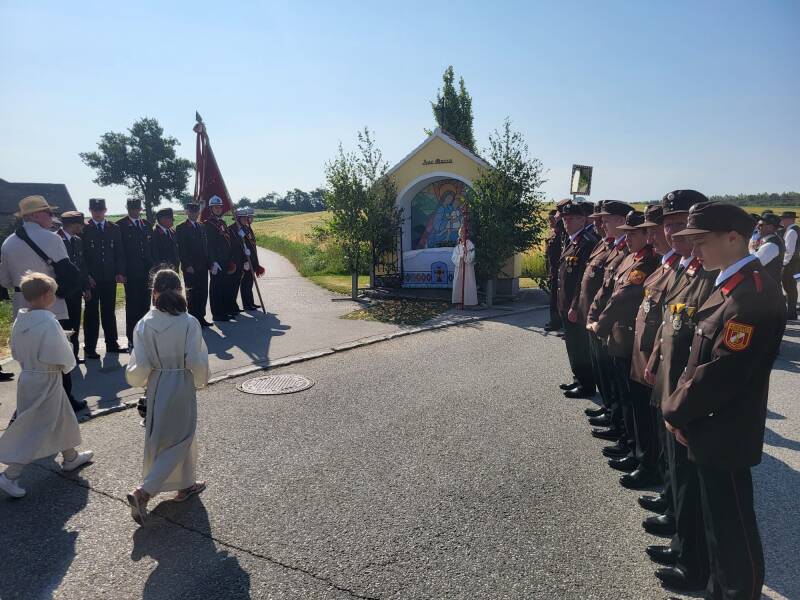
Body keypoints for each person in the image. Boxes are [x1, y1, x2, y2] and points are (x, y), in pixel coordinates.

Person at [662, 202, 785, 600]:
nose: (695, 250)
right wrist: (684, 412)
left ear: (734, 237)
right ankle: (718, 588)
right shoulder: (731, 285)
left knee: (732, 528)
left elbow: (722, 374)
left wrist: (677, 411)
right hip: (707, 422)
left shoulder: (753, 294)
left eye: (702, 240)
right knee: (716, 521)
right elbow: (697, 359)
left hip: (725, 426)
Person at [125, 268, 210, 525]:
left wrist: (139, 381)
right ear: (180, 291)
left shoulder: (144, 323)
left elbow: (139, 365)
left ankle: (185, 484)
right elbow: (196, 359)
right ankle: (144, 492)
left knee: (163, 436)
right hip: (181, 381)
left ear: (155, 292)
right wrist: (200, 379)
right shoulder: (188, 322)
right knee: (182, 437)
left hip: (157, 382)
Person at [0, 272, 94, 498]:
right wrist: (66, 346)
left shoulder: (21, 320)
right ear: (45, 295)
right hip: (46, 378)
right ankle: (10, 474)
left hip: (29, 376)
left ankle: (70, 456)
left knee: (61, 416)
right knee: (38, 426)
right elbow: (60, 355)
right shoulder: (48, 322)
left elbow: (17, 350)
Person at [590, 210, 661, 488]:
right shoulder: (632, 258)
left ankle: (643, 457)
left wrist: (601, 324)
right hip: (620, 337)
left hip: (631, 340)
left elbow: (624, 296)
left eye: (634, 233)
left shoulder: (648, 263)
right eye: (628, 232)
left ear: (646, 235)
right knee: (626, 398)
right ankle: (632, 447)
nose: (629, 238)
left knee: (637, 405)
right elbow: (608, 289)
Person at [584, 200, 633, 431]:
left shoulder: (626, 250)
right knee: (606, 374)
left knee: (618, 382)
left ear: (622, 221)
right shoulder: (613, 246)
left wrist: (600, 321)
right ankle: (611, 411)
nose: (601, 223)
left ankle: (619, 422)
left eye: (606, 219)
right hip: (601, 320)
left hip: (614, 325)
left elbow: (620, 294)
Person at [557, 201, 598, 397]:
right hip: (565, 303)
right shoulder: (571, 240)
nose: (567, 222)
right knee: (572, 345)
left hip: (576, 306)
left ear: (583, 220)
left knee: (580, 347)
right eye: (564, 219)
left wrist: (575, 306)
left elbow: (582, 279)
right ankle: (578, 379)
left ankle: (586, 385)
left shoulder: (587, 242)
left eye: (571, 218)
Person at [82, 198, 126, 358]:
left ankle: (112, 343)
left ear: (105, 210)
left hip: (109, 277)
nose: (98, 213)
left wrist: (120, 272)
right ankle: (90, 347)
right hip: (93, 280)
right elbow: (82, 257)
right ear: (90, 210)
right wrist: (86, 277)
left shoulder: (113, 228)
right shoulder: (85, 229)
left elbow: (119, 253)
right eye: (95, 210)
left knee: (109, 312)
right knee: (91, 313)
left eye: (100, 210)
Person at [116, 198, 153, 351]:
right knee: (132, 307)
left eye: (137, 208)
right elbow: (119, 251)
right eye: (132, 208)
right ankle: (132, 339)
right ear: (127, 208)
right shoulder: (121, 225)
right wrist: (121, 272)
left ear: (140, 209)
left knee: (145, 305)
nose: (135, 211)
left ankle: (144, 336)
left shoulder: (146, 224)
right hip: (131, 273)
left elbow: (150, 248)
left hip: (147, 272)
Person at [57, 211, 91, 363]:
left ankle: (74, 355)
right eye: (80, 224)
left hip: (76, 290)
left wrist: (86, 287)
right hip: (61, 291)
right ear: (73, 225)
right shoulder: (56, 239)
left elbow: (81, 266)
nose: (82, 227)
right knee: (63, 324)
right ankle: (63, 356)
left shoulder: (77, 240)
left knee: (75, 323)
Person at [176, 202, 211, 326]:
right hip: (191, 267)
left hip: (203, 265)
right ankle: (192, 320)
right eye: (192, 212)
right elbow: (182, 249)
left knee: (202, 293)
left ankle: (201, 318)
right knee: (192, 294)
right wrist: (187, 265)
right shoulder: (181, 227)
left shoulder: (201, 226)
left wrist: (209, 263)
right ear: (187, 212)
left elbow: (205, 247)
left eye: (196, 212)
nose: (195, 214)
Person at [203, 195, 238, 322]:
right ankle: (217, 314)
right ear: (211, 209)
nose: (218, 209)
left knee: (224, 287)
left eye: (219, 207)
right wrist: (212, 262)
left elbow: (227, 242)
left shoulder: (222, 223)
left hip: (225, 259)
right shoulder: (208, 224)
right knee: (216, 288)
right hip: (217, 261)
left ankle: (224, 311)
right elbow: (209, 245)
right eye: (215, 207)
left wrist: (231, 258)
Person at [230, 207, 263, 311]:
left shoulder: (246, 228)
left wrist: (253, 261)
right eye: (243, 218)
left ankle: (249, 302)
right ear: (238, 218)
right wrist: (244, 260)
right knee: (239, 285)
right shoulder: (232, 229)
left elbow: (250, 245)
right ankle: (239, 305)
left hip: (249, 260)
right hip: (240, 261)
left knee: (249, 283)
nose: (247, 219)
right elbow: (234, 247)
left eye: (246, 217)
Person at [544, 209, 565, 331]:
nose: (550, 222)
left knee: (556, 299)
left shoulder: (560, 236)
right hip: (553, 271)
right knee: (554, 298)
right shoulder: (554, 234)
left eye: (552, 219)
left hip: (557, 271)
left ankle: (556, 322)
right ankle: (554, 321)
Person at [751, 212, 784, 283]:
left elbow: (754, 264)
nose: (757, 227)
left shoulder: (771, 245)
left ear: (771, 227)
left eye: (761, 225)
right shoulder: (766, 240)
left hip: (769, 288)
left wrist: (751, 248)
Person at [451, 225, 478, 308]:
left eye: (463, 232)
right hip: (459, 269)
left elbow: (472, 257)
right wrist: (460, 257)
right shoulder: (457, 246)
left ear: (466, 234)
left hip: (468, 269)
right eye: (460, 232)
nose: (461, 234)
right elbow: (453, 258)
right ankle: (459, 302)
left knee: (468, 284)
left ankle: (468, 303)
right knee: (458, 285)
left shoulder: (470, 244)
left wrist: (467, 253)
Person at [779, 210, 799, 320]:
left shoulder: (791, 231)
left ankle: (791, 313)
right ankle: (792, 312)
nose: (781, 221)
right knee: (791, 288)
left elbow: (788, 251)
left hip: (790, 264)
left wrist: (783, 264)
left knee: (790, 288)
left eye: (782, 219)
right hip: (793, 264)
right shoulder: (793, 229)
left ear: (788, 220)